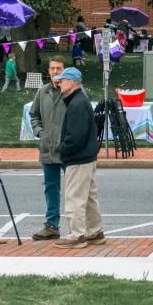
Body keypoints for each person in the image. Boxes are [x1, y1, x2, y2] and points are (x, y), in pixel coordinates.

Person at [53, 68, 104, 249]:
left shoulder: (76, 104)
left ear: (71, 83)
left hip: (78, 159)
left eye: (62, 80)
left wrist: (62, 149)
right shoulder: (80, 101)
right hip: (87, 157)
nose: (59, 83)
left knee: (74, 198)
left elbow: (75, 137)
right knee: (89, 198)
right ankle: (95, 232)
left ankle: (77, 235)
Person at [30, 56, 68, 240]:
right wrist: (39, 132)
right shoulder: (42, 91)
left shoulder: (73, 91)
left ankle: (81, 226)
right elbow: (34, 114)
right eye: (52, 68)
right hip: (47, 148)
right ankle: (52, 225)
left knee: (77, 190)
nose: (55, 72)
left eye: (58, 68)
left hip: (68, 149)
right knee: (51, 188)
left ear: (65, 70)